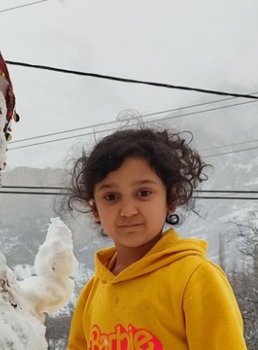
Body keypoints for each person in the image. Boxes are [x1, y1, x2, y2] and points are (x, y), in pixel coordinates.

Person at [65, 128, 247, 350]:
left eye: (143, 193)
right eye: (111, 197)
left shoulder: (195, 278)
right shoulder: (92, 292)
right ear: (94, 208)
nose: (128, 210)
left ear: (171, 197)